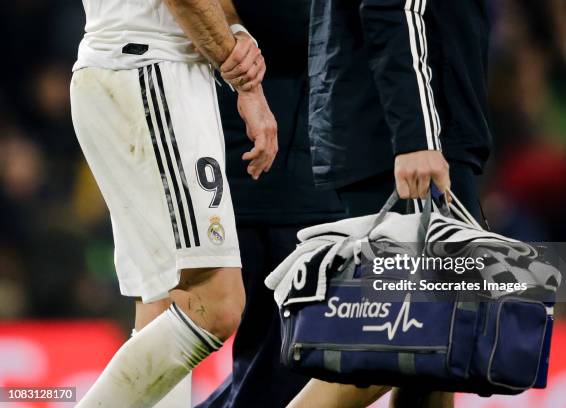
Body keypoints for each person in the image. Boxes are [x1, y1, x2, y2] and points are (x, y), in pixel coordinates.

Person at [70, 0, 277, 406]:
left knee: (165, 306)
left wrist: (237, 33)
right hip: (151, 70)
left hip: (138, 67)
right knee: (214, 304)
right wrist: (242, 73)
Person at [289, 0, 492, 407]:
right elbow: (391, 6)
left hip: (404, 133)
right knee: (407, 336)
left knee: (436, 353)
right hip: (406, 140)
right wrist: (417, 137)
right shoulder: (416, 138)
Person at [197, 1, 345, 407]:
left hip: (309, 166)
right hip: (262, 168)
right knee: (280, 354)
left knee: (288, 358)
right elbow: (292, 28)